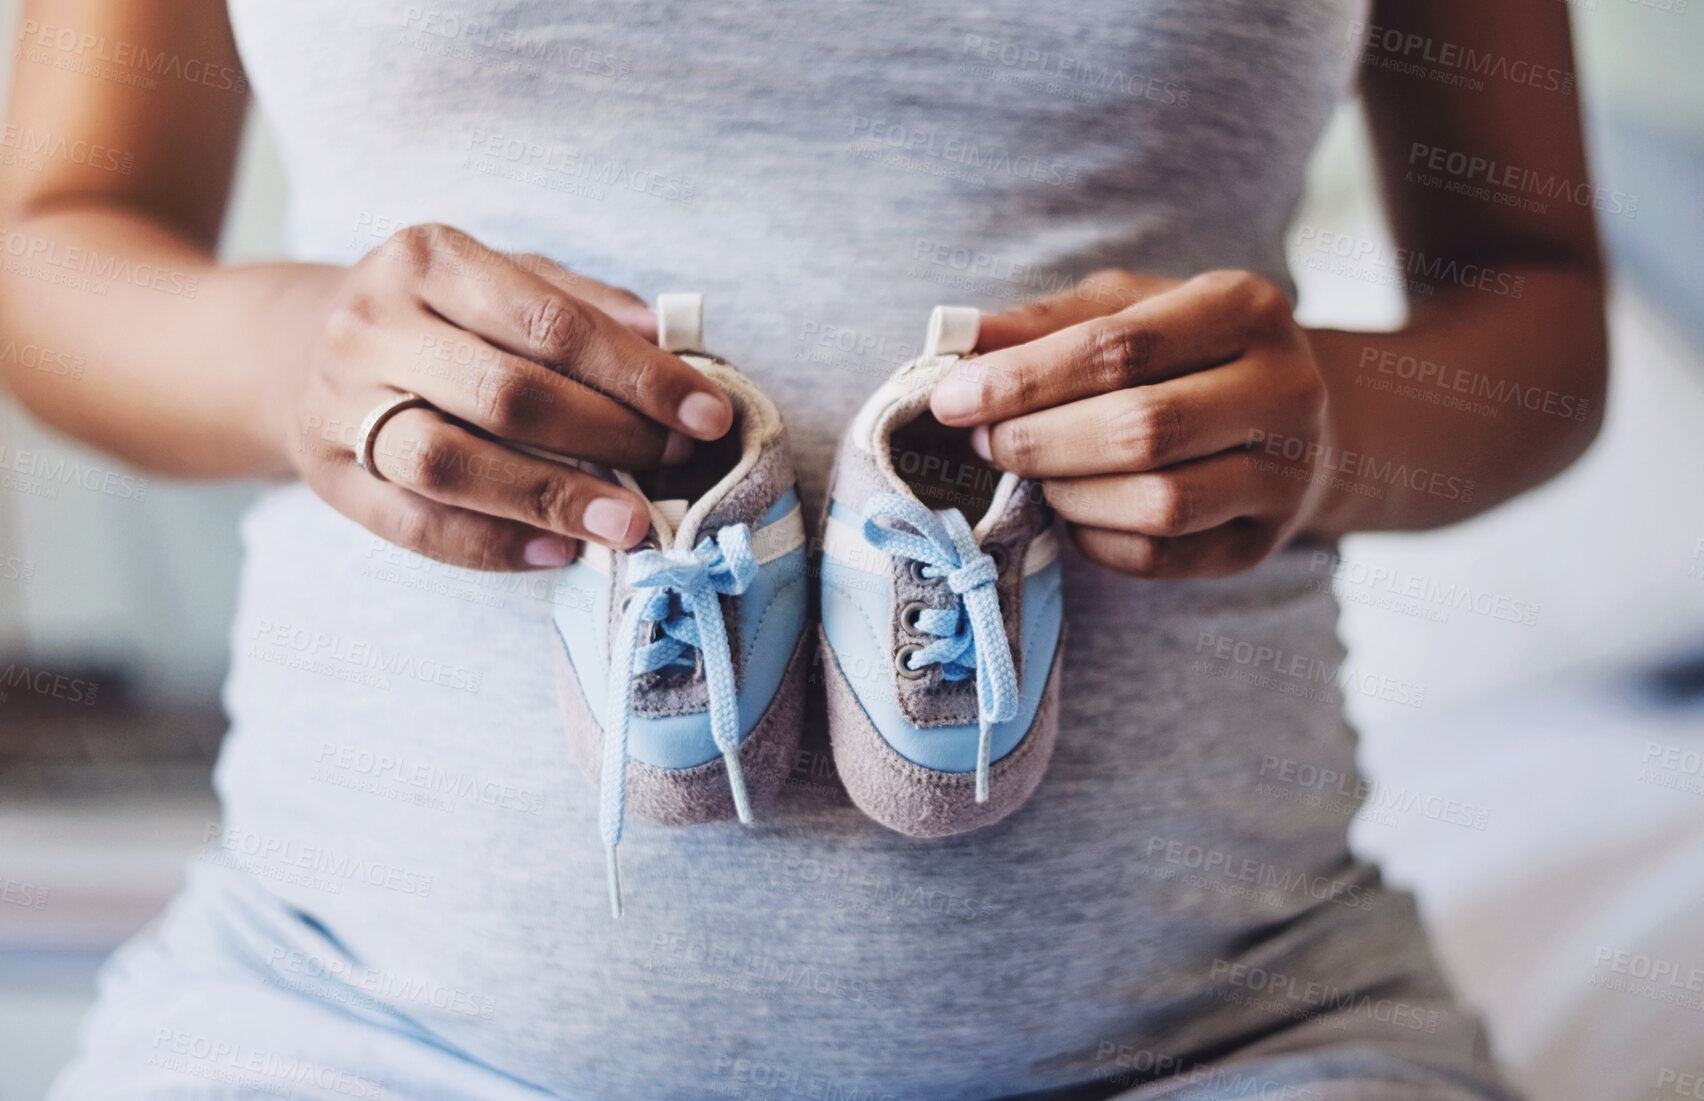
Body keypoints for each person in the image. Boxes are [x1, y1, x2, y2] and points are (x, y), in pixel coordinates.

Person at [1, 1, 1604, 1097]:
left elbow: (1535, 311)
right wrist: (298, 359)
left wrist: (1321, 429)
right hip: (345, 1026)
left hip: (1232, 1035)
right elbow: (48, 247)